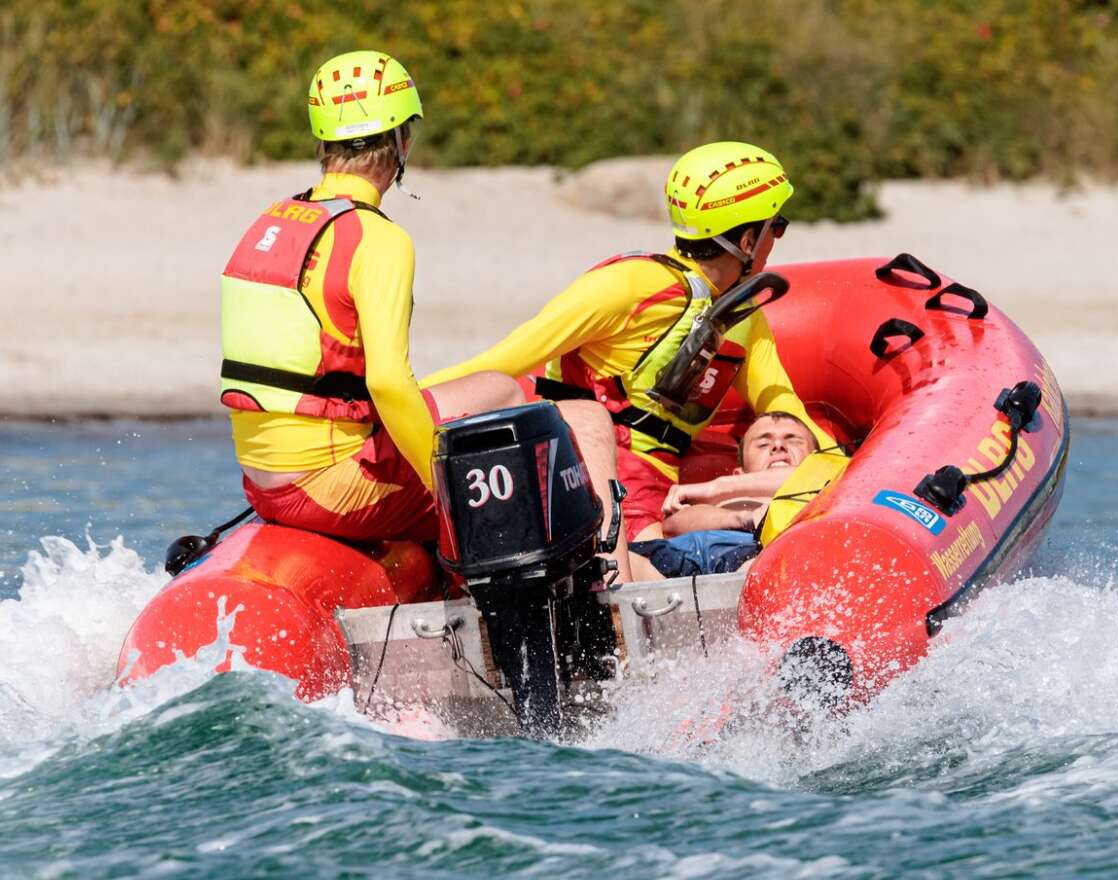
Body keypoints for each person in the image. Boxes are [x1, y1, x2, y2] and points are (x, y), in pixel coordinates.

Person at [424, 140, 839, 558]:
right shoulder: (630, 285)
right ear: (749, 239)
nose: (777, 239)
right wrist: (393, 403)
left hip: (657, 490)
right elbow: (502, 361)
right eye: (777, 227)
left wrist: (845, 467)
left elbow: (779, 401)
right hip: (589, 468)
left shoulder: (745, 316)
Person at [221, 49, 525, 545]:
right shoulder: (378, 238)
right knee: (504, 393)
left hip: (260, 482)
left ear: (323, 140)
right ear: (402, 141)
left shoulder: (271, 220)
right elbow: (385, 382)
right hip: (326, 486)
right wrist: (445, 489)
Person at [629, 412, 818, 578]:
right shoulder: (724, 500)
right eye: (762, 444)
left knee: (759, 567)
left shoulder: (831, 480)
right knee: (625, 562)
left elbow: (810, 475)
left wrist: (717, 487)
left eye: (792, 440)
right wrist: (744, 518)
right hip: (701, 549)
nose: (778, 445)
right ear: (739, 474)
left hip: (765, 554)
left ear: (819, 457)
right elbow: (671, 526)